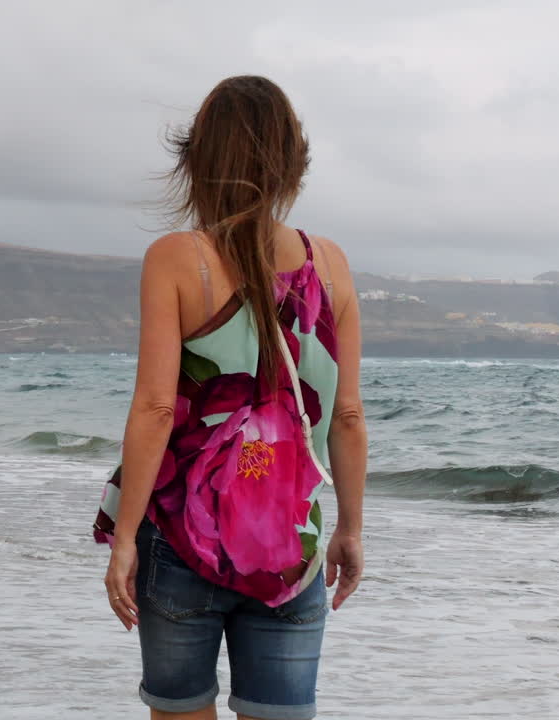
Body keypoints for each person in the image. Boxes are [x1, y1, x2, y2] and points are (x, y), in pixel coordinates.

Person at [97, 75, 368, 720]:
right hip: (291, 546)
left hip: (181, 540)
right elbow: (348, 416)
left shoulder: (176, 259)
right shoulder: (330, 263)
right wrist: (351, 529)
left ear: (196, 159)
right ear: (293, 161)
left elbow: (156, 408)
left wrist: (126, 536)